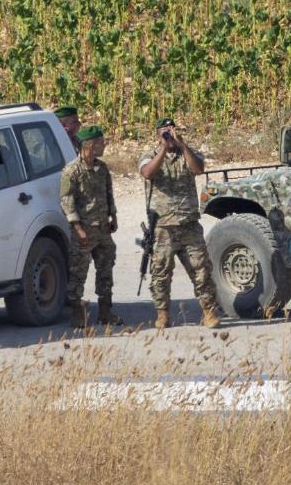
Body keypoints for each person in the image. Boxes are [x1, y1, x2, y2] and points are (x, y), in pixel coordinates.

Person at [138, 117, 221, 329]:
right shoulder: (149, 155)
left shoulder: (187, 152)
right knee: (161, 273)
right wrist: (163, 150)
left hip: (188, 224)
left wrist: (182, 145)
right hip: (163, 226)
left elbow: (198, 169)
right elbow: (147, 173)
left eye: (171, 131)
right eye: (164, 132)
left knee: (201, 270)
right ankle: (163, 314)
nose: (169, 135)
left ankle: (209, 312)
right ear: (157, 135)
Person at [60, 125, 123, 328]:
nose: (104, 145)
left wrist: (113, 216)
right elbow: (66, 202)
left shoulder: (102, 168)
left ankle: (105, 312)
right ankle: (78, 314)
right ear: (90, 145)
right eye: (101, 142)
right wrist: (78, 229)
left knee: (106, 271)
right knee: (78, 273)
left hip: (103, 229)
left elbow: (108, 193)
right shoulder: (72, 171)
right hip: (84, 231)